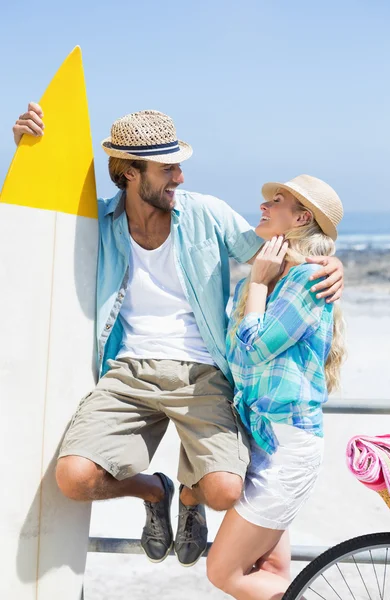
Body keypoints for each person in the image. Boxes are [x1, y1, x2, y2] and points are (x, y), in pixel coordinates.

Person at [13, 105, 344, 568]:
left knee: (225, 491)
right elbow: (38, 221)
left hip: (203, 371)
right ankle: (155, 489)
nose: (180, 177)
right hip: (127, 372)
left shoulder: (207, 213)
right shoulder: (97, 222)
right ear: (130, 173)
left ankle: (191, 496)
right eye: (167, 168)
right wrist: (30, 148)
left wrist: (330, 262)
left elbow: (277, 249)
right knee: (73, 478)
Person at [207, 175, 346, 599]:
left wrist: (259, 284)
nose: (263, 205)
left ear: (301, 217)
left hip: (286, 446)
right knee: (269, 567)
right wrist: (259, 283)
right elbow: (236, 358)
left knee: (224, 572)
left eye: (277, 200)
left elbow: (252, 353)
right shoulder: (266, 280)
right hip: (264, 444)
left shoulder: (305, 280)